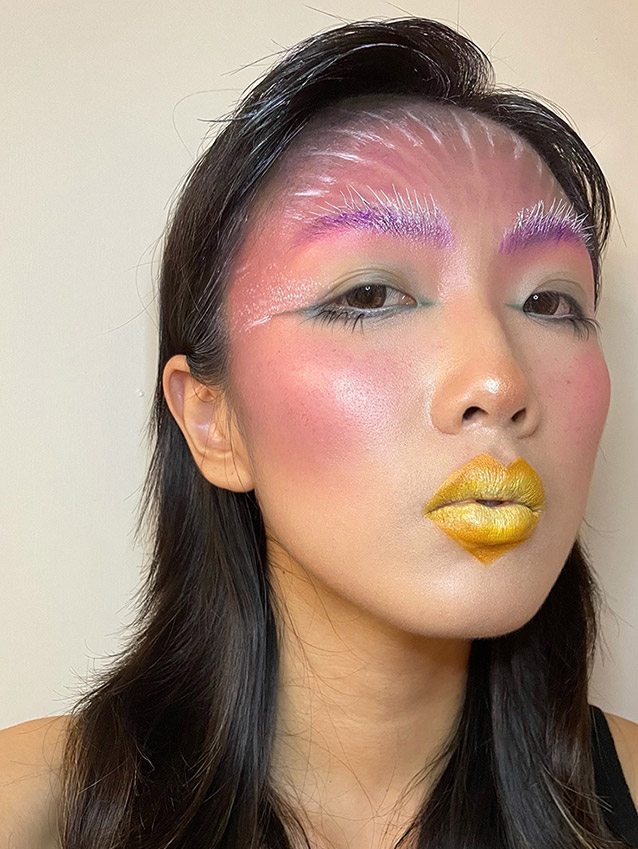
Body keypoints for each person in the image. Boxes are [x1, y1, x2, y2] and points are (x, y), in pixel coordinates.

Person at [1, 16, 638, 849]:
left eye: (550, 302)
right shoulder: (37, 807)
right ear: (214, 421)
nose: (499, 382)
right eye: (370, 296)